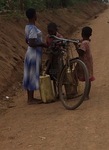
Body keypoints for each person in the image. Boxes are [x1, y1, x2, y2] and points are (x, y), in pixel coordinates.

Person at [23, 8, 47, 104]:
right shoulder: (32, 28)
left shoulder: (27, 27)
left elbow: (27, 40)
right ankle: (30, 99)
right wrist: (42, 44)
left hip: (30, 53)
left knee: (29, 75)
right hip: (34, 54)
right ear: (34, 16)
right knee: (32, 74)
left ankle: (30, 98)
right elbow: (32, 43)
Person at [75, 26, 95, 100]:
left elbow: (81, 53)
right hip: (87, 62)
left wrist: (76, 46)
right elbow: (81, 41)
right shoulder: (87, 41)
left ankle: (86, 95)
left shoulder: (84, 43)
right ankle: (86, 94)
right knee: (88, 78)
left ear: (82, 33)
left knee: (87, 78)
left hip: (85, 62)